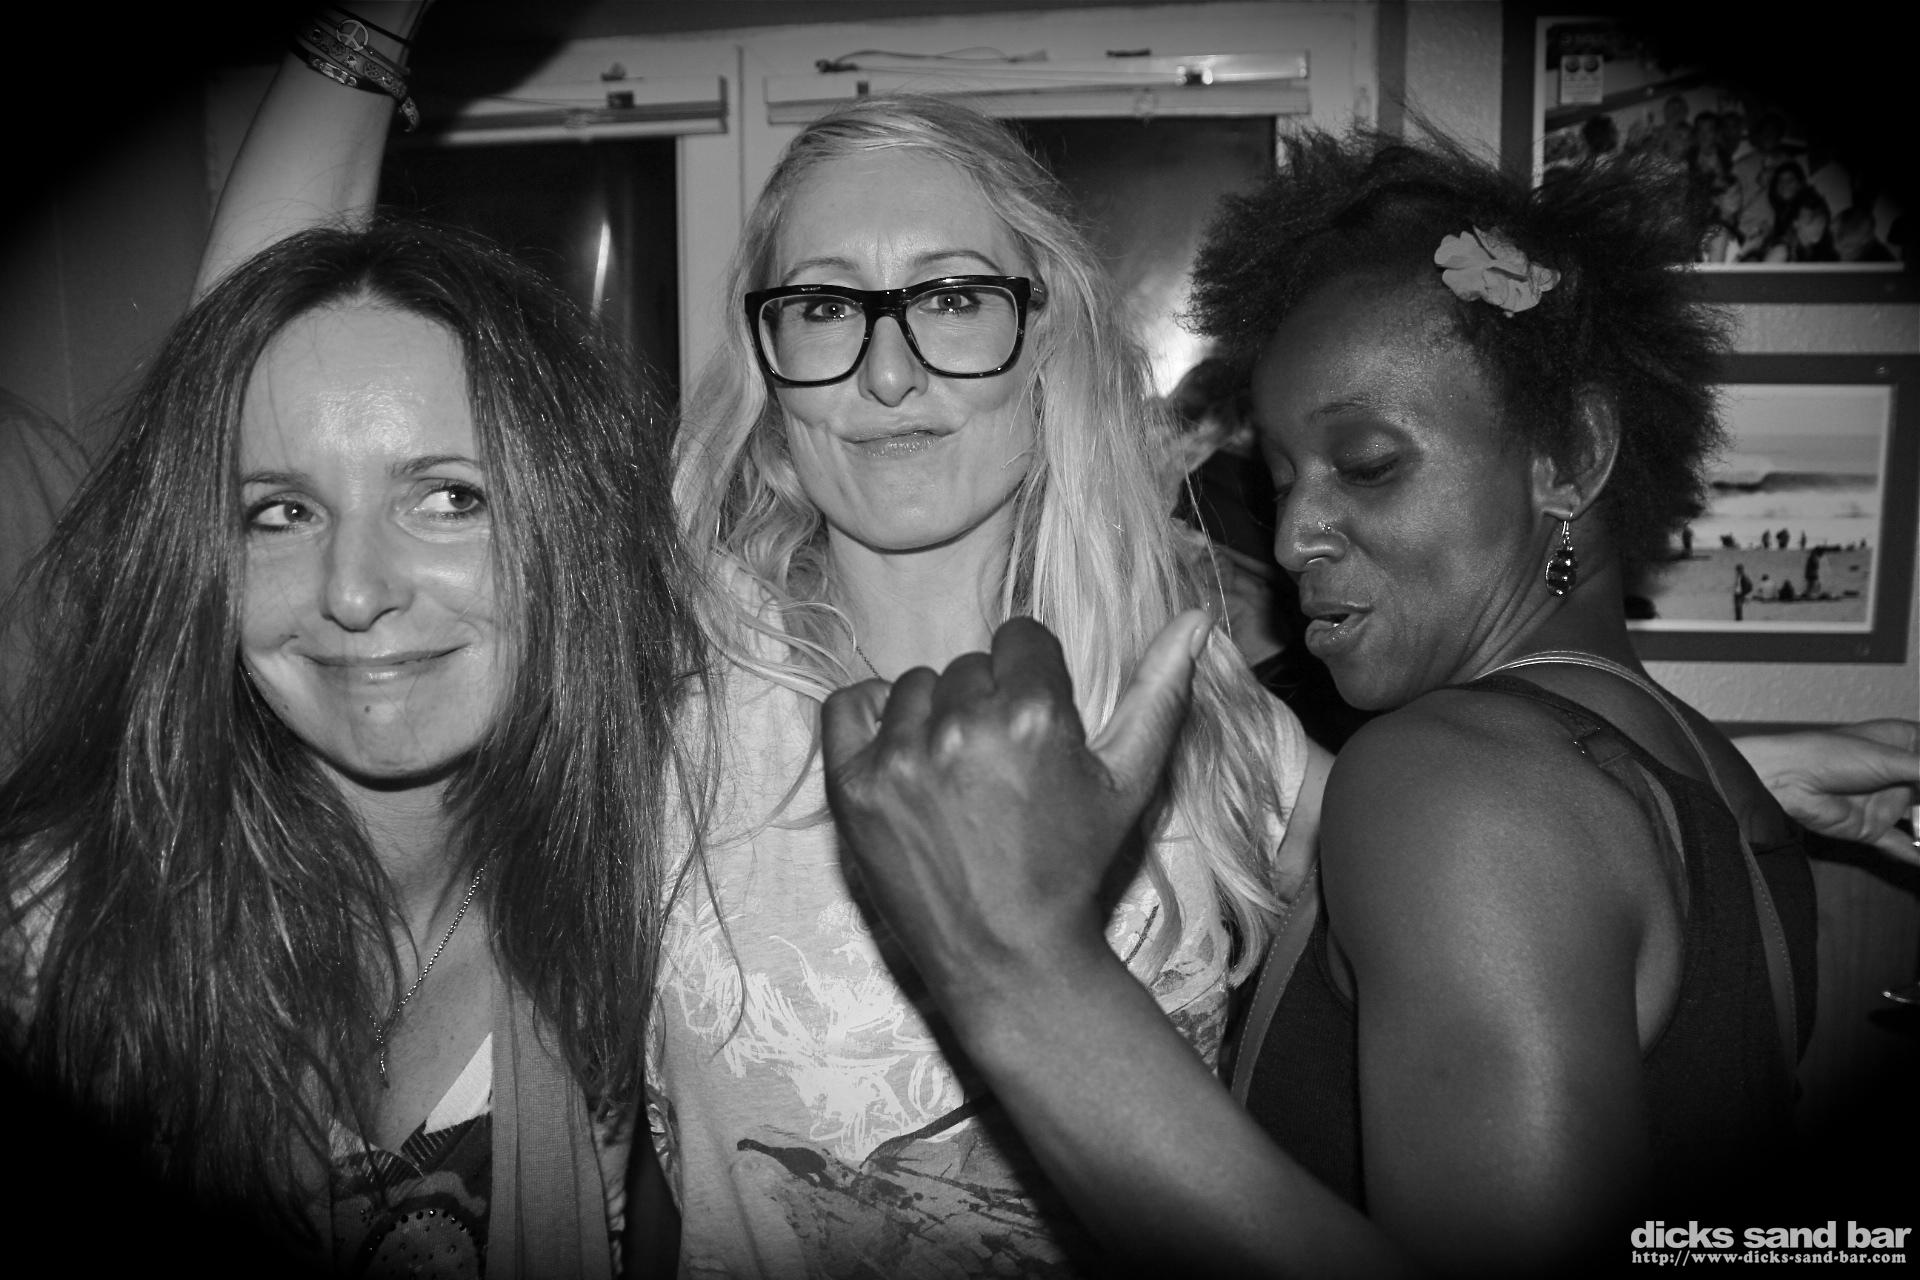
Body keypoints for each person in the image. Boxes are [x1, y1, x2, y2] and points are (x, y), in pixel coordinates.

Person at [813, 128, 1920, 1275]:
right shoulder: (1709, 785)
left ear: (1571, 453)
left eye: (1370, 464)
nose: (1295, 534)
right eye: (1282, 478)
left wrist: (1016, 963)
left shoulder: (1450, 777)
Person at [656, 94, 1312, 1277]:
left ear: (1044, 332)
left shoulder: (1178, 694)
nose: (889, 373)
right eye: (824, 306)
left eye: (953, 298)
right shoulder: (661, 700)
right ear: (769, 358)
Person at [0, 219, 703, 1275]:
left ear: (574, 535)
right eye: (282, 511)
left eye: (450, 498)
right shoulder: (53, 940)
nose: (356, 591)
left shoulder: (627, 907)